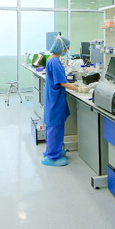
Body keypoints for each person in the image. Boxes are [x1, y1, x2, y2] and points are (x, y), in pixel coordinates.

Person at [42, 36, 90, 167]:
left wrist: (73, 85)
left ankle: (52, 150)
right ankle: (52, 157)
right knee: (55, 127)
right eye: (66, 48)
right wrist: (79, 89)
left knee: (52, 125)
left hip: (52, 96)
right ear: (62, 47)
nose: (67, 50)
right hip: (55, 98)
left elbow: (60, 79)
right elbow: (62, 82)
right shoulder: (55, 62)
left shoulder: (51, 58)